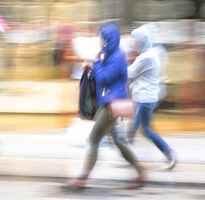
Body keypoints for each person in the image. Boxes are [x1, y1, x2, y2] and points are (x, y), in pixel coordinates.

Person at [67, 23, 146, 189]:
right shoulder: (109, 54)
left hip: (112, 105)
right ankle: (141, 172)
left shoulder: (116, 57)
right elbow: (102, 74)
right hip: (111, 103)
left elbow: (104, 79)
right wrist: (94, 64)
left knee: (93, 139)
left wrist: (95, 63)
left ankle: (82, 178)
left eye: (102, 39)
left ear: (109, 40)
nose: (100, 41)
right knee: (119, 141)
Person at [128, 26, 176, 171]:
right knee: (137, 128)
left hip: (145, 99)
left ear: (141, 41)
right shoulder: (149, 55)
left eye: (135, 41)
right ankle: (127, 154)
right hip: (145, 98)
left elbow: (128, 73)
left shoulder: (146, 57)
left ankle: (169, 154)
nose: (133, 44)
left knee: (144, 130)